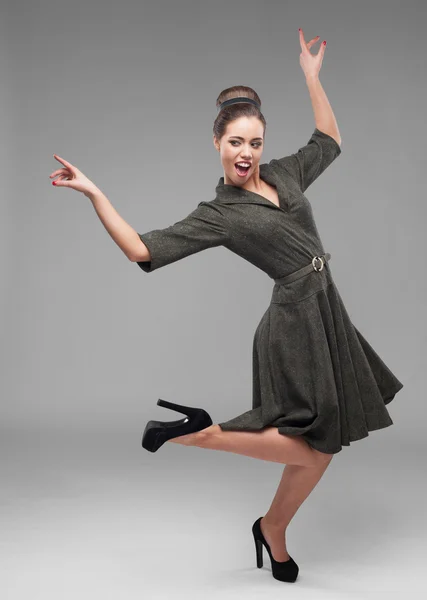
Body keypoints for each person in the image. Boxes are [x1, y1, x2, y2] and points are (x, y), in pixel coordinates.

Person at [49, 29, 403, 583]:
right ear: (217, 143)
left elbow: (330, 139)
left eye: (255, 143)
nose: (247, 154)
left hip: (325, 309)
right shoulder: (219, 213)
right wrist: (95, 193)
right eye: (236, 143)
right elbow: (142, 249)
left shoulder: (284, 173)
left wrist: (312, 78)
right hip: (292, 325)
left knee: (319, 446)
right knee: (314, 448)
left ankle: (272, 529)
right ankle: (201, 434)